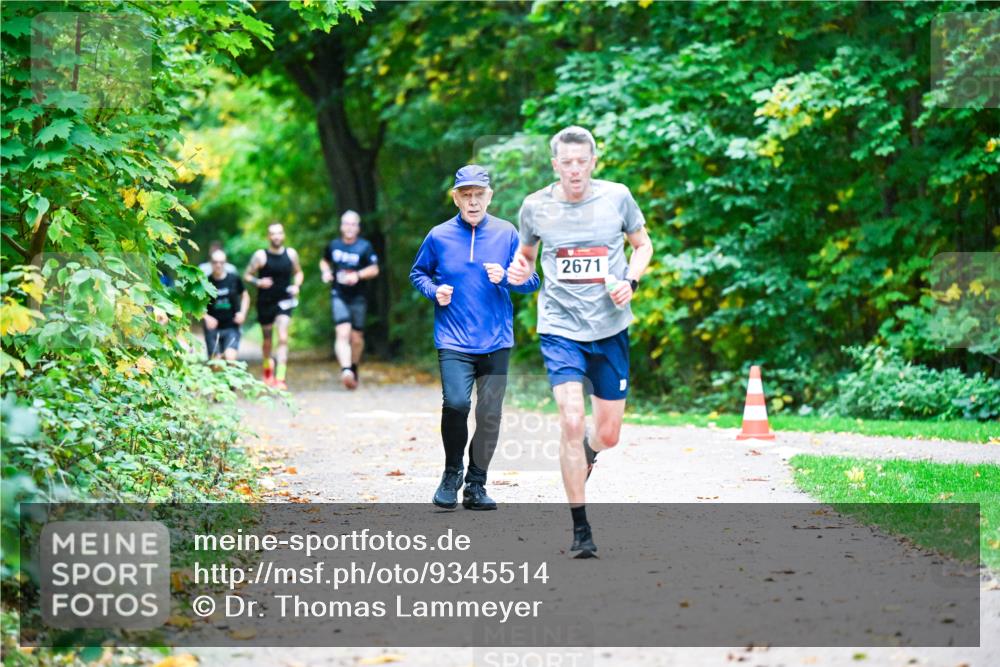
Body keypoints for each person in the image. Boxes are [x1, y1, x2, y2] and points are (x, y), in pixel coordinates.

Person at [506, 126, 654, 557]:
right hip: (560, 328)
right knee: (571, 421)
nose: (574, 170)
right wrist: (519, 271)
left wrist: (630, 280)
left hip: (610, 329)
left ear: (593, 162)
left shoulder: (617, 197)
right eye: (566, 163)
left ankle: (590, 451)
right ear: (555, 165)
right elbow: (526, 258)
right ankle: (581, 530)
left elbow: (643, 246)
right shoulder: (535, 206)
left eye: (581, 161)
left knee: (607, 435)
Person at [410, 165, 540, 510]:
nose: (472, 202)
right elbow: (418, 273)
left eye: (478, 195)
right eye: (465, 195)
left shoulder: (506, 233)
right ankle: (451, 473)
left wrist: (507, 278)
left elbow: (532, 280)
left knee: (489, 413)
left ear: (489, 197)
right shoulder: (438, 236)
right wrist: (434, 291)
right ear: (455, 198)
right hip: (453, 339)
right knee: (456, 403)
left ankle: (476, 485)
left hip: (496, 340)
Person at [320, 210, 380, 390]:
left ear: (358, 228)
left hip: (358, 297)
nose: (349, 227)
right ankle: (345, 370)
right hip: (338, 294)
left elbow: (374, 269)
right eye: (346, 224)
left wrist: (358, 275)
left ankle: (353, 367)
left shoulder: (365, 246)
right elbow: (324, 261)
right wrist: (325, 272)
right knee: (342, 331)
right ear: (341, 226)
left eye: (353, 224)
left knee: (357, 338)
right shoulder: (334, 245)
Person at [244, 223, 304, 390]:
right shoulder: (260, 256)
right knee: (268, 340)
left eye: (279, 233)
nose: (276, 236)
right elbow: (247, 275)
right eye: (273, 233)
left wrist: (296, 286)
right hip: (265, 302)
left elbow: (299, 272)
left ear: (283, 235)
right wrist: (258, 282)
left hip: (285, 300)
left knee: (283, 337)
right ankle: (267, 371)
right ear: (268, 236)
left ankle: (280, 378)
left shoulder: (291, 254)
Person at [204, 249, 249, 361]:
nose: (218, 265)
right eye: (215, 262)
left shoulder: (234, 278)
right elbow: (196, 306)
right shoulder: (205, 282)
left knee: (230, 359)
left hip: (231, 326)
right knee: (215, 364)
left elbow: (245, 296)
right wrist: (206, 317)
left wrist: (242, 314)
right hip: (212, 328)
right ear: (210, 263)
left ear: (225, 263)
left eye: (221, 262)